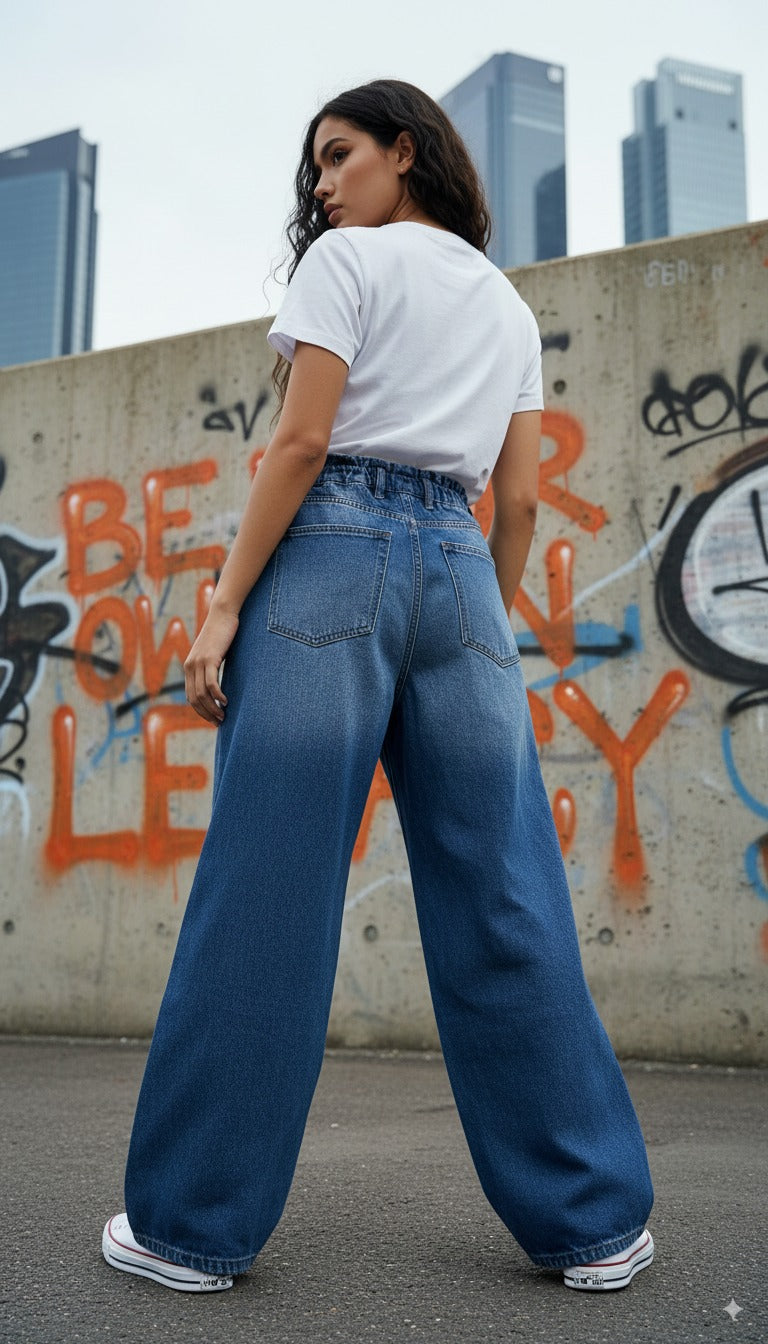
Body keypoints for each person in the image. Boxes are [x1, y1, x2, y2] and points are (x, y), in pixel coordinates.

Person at [102, 78, 654, 1295]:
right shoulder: (508, 308)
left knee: (270, 888)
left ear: (407, 153)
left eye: (339, 155)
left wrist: (226, 602)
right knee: (506, 891)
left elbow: (300, 444)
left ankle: (191, 1227)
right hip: (462, 577)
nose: (322, 182)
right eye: (313, 166)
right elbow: (513, 503)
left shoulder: (344, 267)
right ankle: (597, 1222)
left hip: (330, 556)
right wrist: (476, 624)